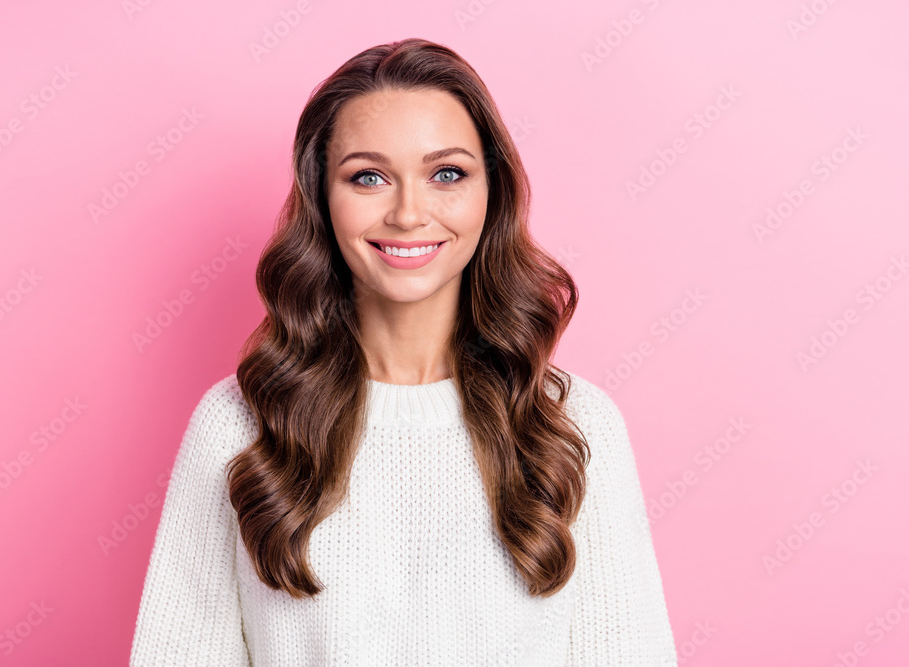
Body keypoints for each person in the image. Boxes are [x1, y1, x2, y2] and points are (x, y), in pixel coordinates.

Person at [129, 37, 677, 666]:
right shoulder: (238, 423)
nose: (409, 213)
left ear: (491, 193)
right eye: (369, 176)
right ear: (322, 200)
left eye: (447, 173)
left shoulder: (576, 424)